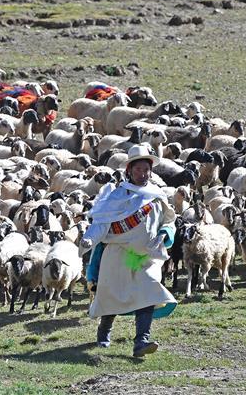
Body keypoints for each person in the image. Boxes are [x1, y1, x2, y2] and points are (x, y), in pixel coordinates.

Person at [80, 145, 177, 356]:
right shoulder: (117, 197)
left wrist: (165, 233)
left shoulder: (157, 195)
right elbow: (102, 223)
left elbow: (169, 220)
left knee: (149, 290)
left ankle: (141, 341)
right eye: (138, 169)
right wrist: (89, 239)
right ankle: (104, 331)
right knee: (113, 294)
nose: (143, 174)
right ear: (129, 171)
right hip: (118, 254)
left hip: (147, 256)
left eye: (146, 169)